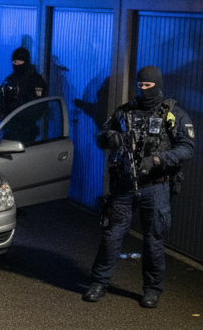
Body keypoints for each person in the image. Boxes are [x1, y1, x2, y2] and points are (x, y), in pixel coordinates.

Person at [83, 67, 195, 308]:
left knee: (153, 240)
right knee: (112, 235)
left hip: (155, 186)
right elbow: (102, 135)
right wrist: (109, 138)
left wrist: (157, 160)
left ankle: (152, 289)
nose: (143, 90)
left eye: (148, 86)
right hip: (124, 186)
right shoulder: (125, 112)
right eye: (140, 85)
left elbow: (187, 147)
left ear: (157, 85)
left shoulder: (172, 114)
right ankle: (100, 282)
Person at [0, 46, 48, 119]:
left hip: (28, 125)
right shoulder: (10, 79)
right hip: (8, 124)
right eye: (14, 62)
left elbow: (38, 106)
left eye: (20, 62)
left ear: (26, 62)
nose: (17, 64)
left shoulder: (36, 80)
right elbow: (3, 101)